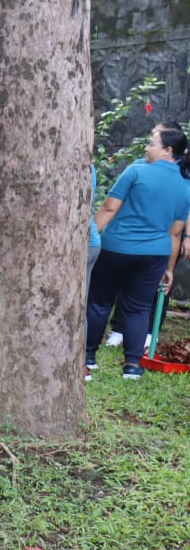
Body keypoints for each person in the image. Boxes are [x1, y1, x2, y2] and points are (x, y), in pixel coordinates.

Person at [86, 127, 190, 380]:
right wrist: (169, 268)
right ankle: (132, 365)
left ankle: (88, 357)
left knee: (100, 302)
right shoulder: (186, 185)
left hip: (116, 247)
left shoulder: (137, 170)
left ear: (167, 151)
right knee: (139, 308)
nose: (146, 147)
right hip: (155, 255)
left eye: (151, 143)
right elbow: (175, 233)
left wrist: (87, 239)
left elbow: (109, 208)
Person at [105, 119, 184, 348]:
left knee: (156, 287)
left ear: (169, 149)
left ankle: (150, 331)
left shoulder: (181, 175)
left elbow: (182, 213)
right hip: (133, 240)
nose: (148, 145)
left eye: (154, 139)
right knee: (129, 289)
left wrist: (186, 237)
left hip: (162, 240)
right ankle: (120, 331)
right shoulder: (139, 168)